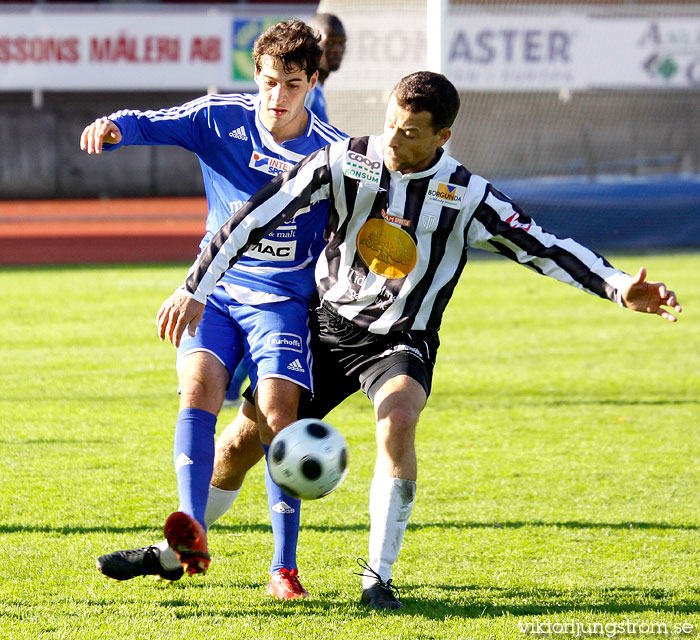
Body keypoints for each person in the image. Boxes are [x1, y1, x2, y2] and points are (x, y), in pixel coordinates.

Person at [156, 71, 682, 610]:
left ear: (442, 138)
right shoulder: (345, 160)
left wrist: (618, 286)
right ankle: (178, 547)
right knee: (244, 444)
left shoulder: (468, 196)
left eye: (408, 133)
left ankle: (376, 578)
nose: (392, 140)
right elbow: (252, 217)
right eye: (388, 124)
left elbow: (542, 246)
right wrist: (196, 284)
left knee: (399, 417)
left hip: (401, 339)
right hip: (327, 326)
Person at [81, 19, 346, 599]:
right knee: (197, 389)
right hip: (217, 290)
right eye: (270, 81)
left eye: (293, 85)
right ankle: (190, 533)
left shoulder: (332, 152)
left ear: (312, 82)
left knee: (278, 417)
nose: (278, 97)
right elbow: (149, 124)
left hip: (283, 300)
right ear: (256, 74)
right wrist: (112, 128)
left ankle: (283, 568)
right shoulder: (217, 117)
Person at [223, 12, 346, 408]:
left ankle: (252, 386)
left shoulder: (317, 97)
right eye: (329, 42)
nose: (335, 50)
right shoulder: (300, 99)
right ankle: (244, 384)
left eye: (341, 44)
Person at [304, 13, 347, 122]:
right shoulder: (305, 91)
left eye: (341, 43)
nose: (337, 49)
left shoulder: (316, 88)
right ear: (310, 44)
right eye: (330, 42)